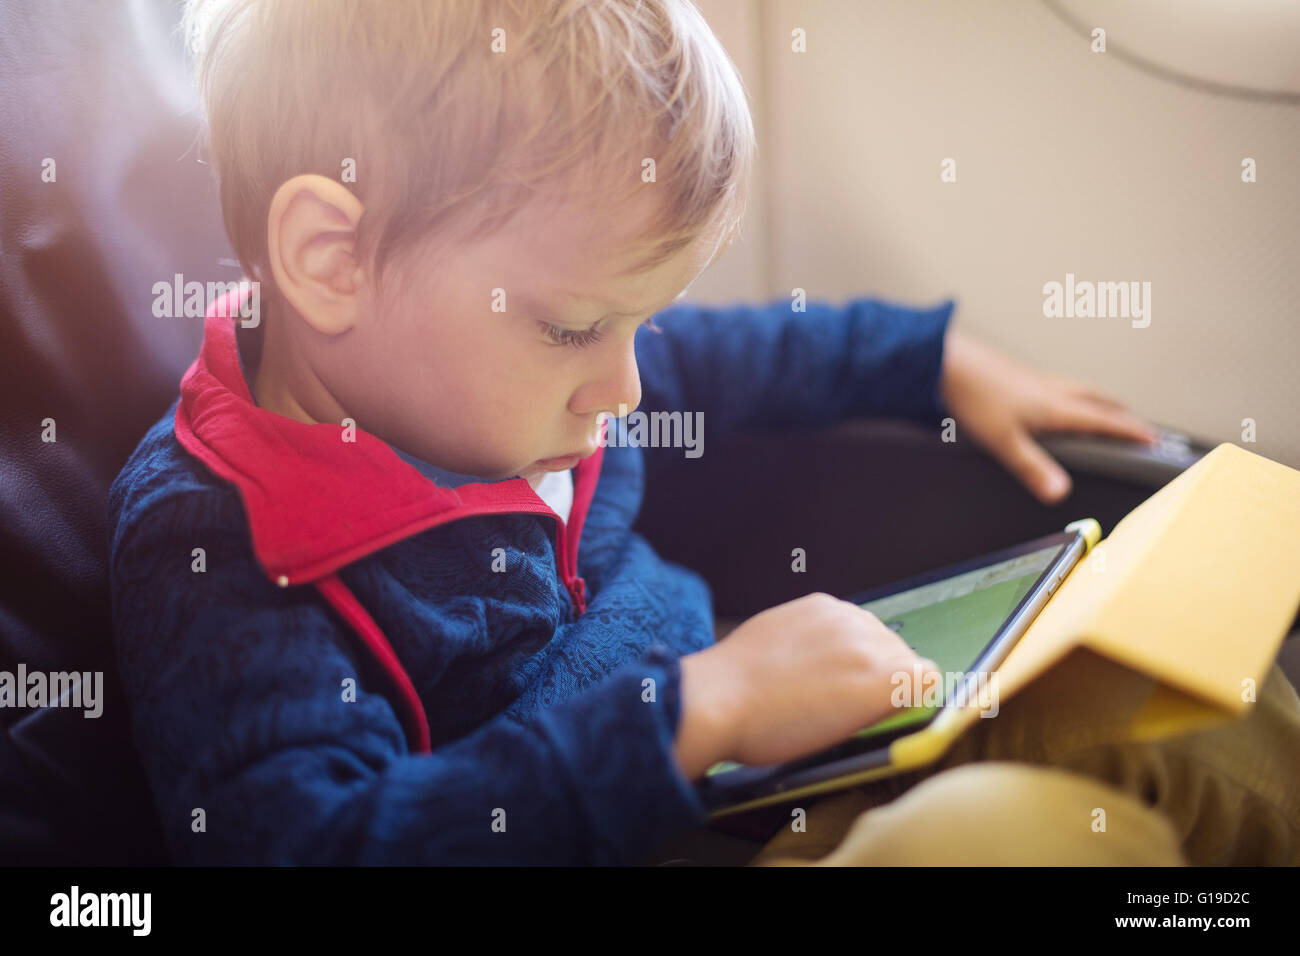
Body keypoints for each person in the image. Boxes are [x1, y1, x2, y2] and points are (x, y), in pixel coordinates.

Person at [110, 0, 1235, 865]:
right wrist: (697, 714)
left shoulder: (501, 382)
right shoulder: (225, 544)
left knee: (1176, 710)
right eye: (576, 326)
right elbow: (315, 846)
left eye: (638, 322)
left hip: (747, 764)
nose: (629, 384)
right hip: (662, 812)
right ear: (330, 259)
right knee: (1014, 840)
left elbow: (738, 352)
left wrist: (928, 359)